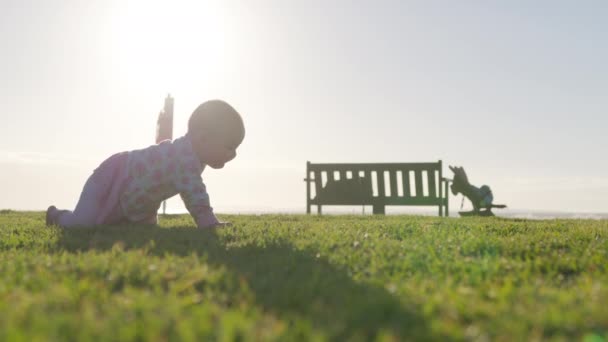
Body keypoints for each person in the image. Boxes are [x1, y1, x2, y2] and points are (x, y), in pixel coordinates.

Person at [46, 100, 245, 229]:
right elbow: (195, 194)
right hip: (112, 176)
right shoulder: (185, 158)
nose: (233, 154)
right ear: (202, 139)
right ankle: (57, 216)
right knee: (83, 223)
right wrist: (209, 223)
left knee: (126, 228)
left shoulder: (192, 157)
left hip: (134, 195)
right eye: (230, 147)